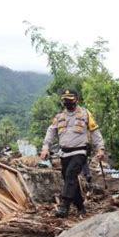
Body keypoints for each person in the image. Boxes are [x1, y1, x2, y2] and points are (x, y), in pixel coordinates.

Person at [40, 89, 105, 218]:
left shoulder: (85, 114)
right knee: (70, 179)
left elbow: (94, 132)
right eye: (65, 99)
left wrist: (100, 148)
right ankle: (80, 206)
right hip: (64, 153)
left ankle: (64, 206)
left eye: (70, 99)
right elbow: (51, 132)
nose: (67, 102)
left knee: (70, 175)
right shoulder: (59, 117)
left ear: (76, 99)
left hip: (79, 151)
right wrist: (45, 147)